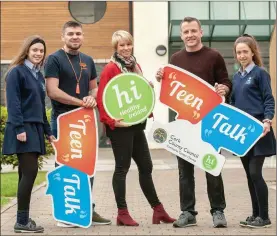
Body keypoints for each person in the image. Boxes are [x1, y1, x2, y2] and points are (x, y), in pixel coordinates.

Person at [155, 17, 232, 228]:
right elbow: (169, 86)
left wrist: (224, 89)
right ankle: (188, 212)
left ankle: (218, 211)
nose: (189, 35)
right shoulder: (176, 58)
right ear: (181, 35)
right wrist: (161, 75)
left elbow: (225, 81)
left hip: (209, 122)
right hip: (184, 123)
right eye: (186, 32)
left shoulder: (214, 56)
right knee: (184, 171)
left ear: (201, 32)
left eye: (193, 31)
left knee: (212, 167)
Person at [96, 30, 176, 227]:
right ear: (115, 48)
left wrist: (147, 87)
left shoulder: (135, 65)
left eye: (128, 44)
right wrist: (112, 121)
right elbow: (101, 99)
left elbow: (138, 90)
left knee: (146, 167)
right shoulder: (110, 69)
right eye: (121, 45)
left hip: (137, 124)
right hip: (120, 126)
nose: (125, 48)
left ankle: (158, 210)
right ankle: (122, 213)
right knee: (122, 168)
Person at [44, 21, 111, 227]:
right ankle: (65, 214)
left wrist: (92, 98)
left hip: (85, 120)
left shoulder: (88, 60)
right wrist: (80, 102)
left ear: (82, 36)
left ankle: (87, 209)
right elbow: (52, 91)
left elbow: (94, 89)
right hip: (63, 119)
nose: (75, 37)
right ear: (63, 36)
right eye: (71, 34)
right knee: (65, 164)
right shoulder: (53, 59)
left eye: (78, 34)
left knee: (87, 164)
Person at [2, 35, 55, 233]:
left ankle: (22, 219)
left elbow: (40, 106)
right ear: (27, 50)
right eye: (35, 50)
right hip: (23, 128)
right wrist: (19, 129)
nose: (38, 53)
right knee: (31, 172)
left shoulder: (38, 75)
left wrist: (48, 132)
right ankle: (22, 222)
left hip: (35, 128)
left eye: (41, 51)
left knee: (25, 173)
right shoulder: (17, 72)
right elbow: (13, 103)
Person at [231, 34, 276, 228]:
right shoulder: (236, 77)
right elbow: (232, 103)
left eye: (245, 52)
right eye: (239, 52)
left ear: (252, 52)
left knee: (255, 173)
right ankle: (255, 215)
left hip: (259, 130)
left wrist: (267, 120)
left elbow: (268, 99)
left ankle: (264, 217)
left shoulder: (260, 74)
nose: (242, 55)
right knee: (250, 176)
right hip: (241, 133)